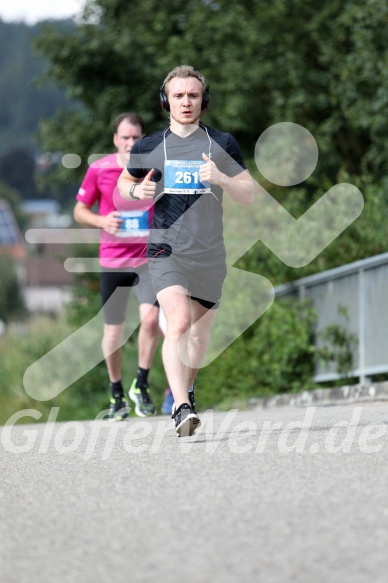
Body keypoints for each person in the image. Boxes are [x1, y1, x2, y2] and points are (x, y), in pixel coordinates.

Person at [117, 66, 254, 436]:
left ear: (203, 101)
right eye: (178, 95)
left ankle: (187, 389)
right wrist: (136, 192)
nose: (186, 102)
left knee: (198, 334)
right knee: (176, 322)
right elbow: (123, 185)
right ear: (167, 102)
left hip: (210, 254)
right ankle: (180, 407)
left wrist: (222, 178)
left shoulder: (222, 143)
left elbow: (249, 194)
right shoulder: (149, 146)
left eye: (193, 95)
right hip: (166, 249)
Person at [74, 112, 161, 420]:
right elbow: (80, 210)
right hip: (113, 260)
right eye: (125, 137)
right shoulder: (99, 169)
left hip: (148, 259)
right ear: (115, 139)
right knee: (114, 332)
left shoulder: (153, 168)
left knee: (151, 321)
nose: (130, 142)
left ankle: (142, 383)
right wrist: (101, 220)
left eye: (136, 137)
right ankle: (116, 393)